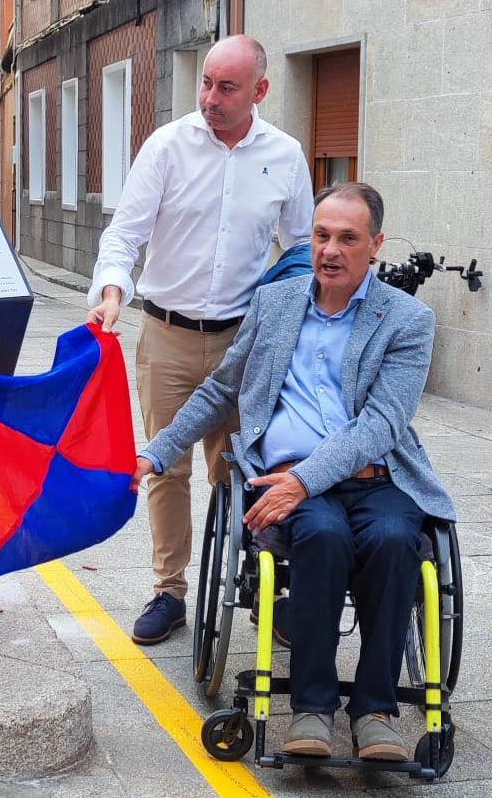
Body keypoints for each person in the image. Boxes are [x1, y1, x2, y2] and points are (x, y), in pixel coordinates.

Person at [133, 182, 457, 760]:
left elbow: (382, 423)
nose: (330, 250)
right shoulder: (276, 303)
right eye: (322, 235)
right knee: (323, 536)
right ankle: (311, 707)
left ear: (375, 245)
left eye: (348, 238)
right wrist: (156, 452)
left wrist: (306, 480)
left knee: (393, 540)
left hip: (374, 475)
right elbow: (220, 390)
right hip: (283, 476)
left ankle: (376, 711)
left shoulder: (408, 320)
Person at [86, 34, 313, 645]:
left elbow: (300, 249)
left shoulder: (286, 156)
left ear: (260, 91)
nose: (210, 98)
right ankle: (170, 590)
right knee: (165, 465)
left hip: (245, 341)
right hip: (167, 334)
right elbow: (125, 235)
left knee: (240, 467)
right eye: (206, 83)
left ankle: (254, 574)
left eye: (226, 87)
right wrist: (112, 288)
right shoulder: (167, 146)